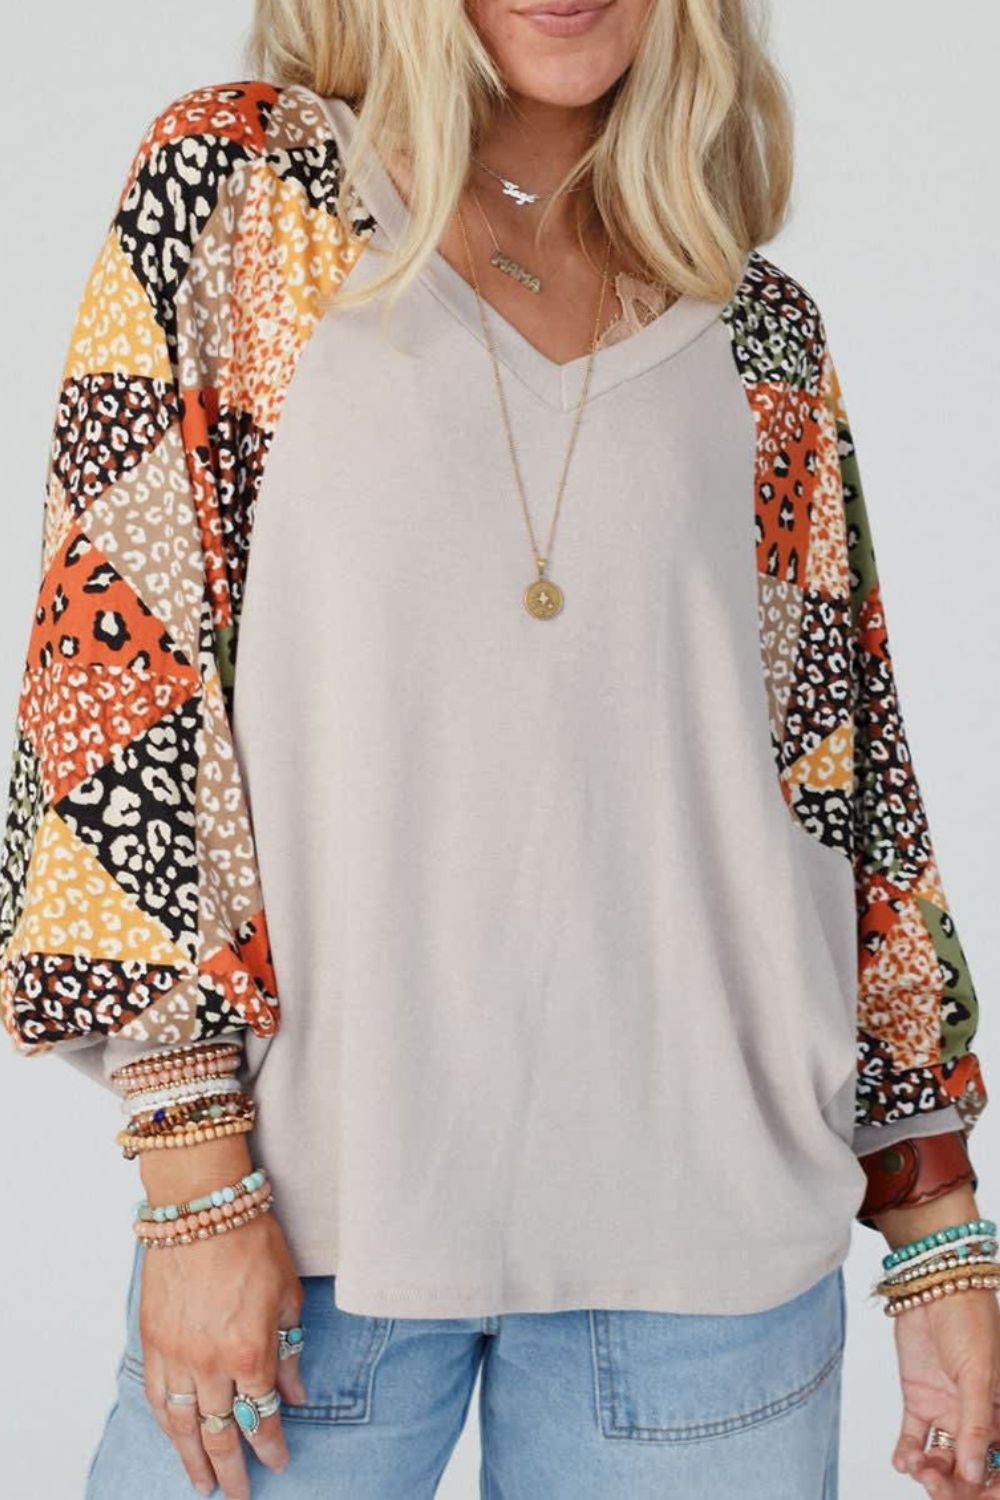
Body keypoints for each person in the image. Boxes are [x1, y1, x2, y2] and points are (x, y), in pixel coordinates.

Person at [1, 1, 996, 1497]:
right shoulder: (249, 193)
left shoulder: (759, 327)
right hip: (312, 1241)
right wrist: (192, 1175)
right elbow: (117, 689)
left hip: (711, 1274)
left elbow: (849, 787)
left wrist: (936, 1227)